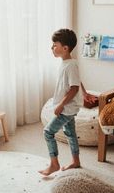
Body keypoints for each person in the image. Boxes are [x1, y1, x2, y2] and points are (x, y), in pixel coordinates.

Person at [39, 28, 82, 176]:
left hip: (67, 108)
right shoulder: (67, 63)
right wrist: (86, 92)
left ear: (65, 48)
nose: (52, 48)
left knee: (48, 132)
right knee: (70, 133)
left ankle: (54, 164)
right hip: (67, 107)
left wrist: (61, 105)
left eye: (54, 45)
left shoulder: (70, 65)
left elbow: (74, 88)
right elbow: (76, 82)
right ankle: (76, 161)